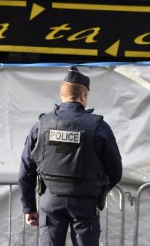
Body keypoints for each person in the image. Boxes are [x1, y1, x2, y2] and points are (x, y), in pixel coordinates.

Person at [18, 66, 122, 246]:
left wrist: (29, 208)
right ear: (83, 95)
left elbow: (26, 170)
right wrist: (98, 190)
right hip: (85, 202)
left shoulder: (41, 125)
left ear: (62, 95)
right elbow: (115, 170)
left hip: (50, 201)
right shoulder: (99, 127)